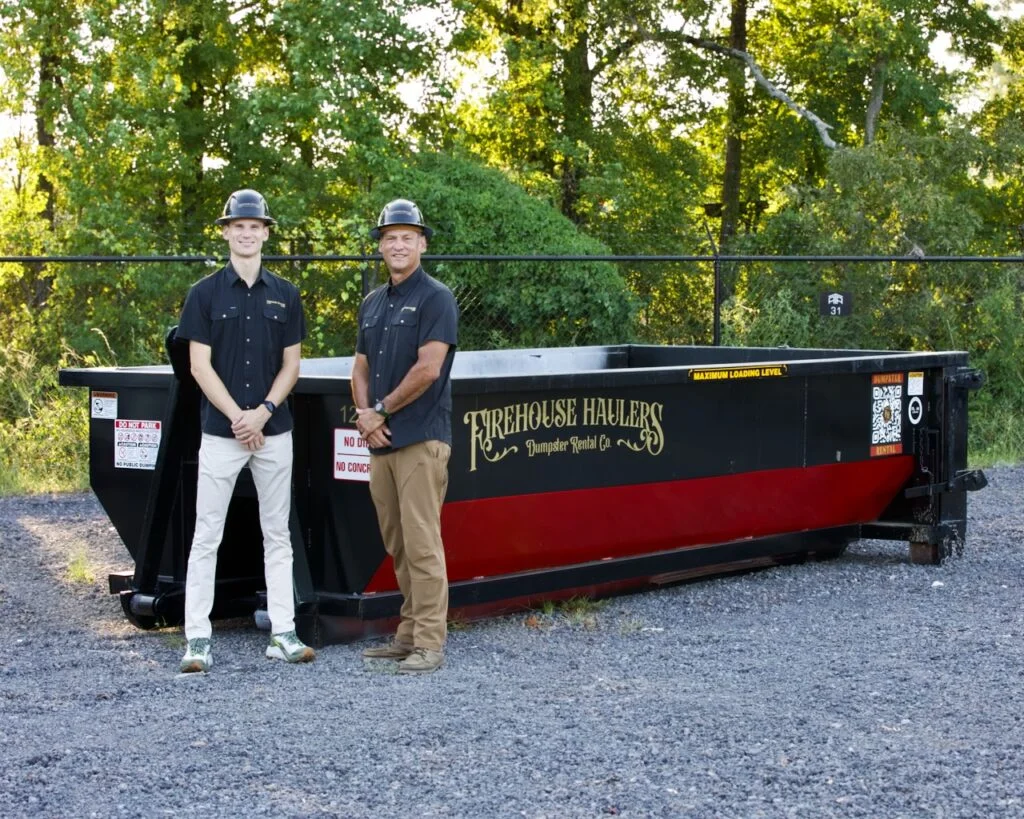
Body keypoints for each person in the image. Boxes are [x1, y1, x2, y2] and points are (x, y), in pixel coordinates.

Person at [174, 189, 315, 673]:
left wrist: (264, 412)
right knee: (206, 534)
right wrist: (240, 416)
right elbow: (199, 365)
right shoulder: (204, 294)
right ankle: (197, 639)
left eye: (255, 226)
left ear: (266, 233)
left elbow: (292, 364)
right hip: (221, 432)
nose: (247, 232)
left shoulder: (286, 294)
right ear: (226, 232)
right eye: (239, 226)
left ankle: (283, 633)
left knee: (277, 534)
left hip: (274, 432)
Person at [353, 199, 459, 674]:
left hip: (420, 440)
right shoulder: (372, 304)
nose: (398, 244)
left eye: (407, 236)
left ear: (422, 243)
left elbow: (429, 369)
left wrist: (379, 410)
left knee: (422, 543)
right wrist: (364, 415)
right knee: (397, 543)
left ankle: (430, 645)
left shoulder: (437, 298)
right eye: (389, 237)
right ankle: (408, 634)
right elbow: (360, 367)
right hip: (382, 443)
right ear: (380, 246)